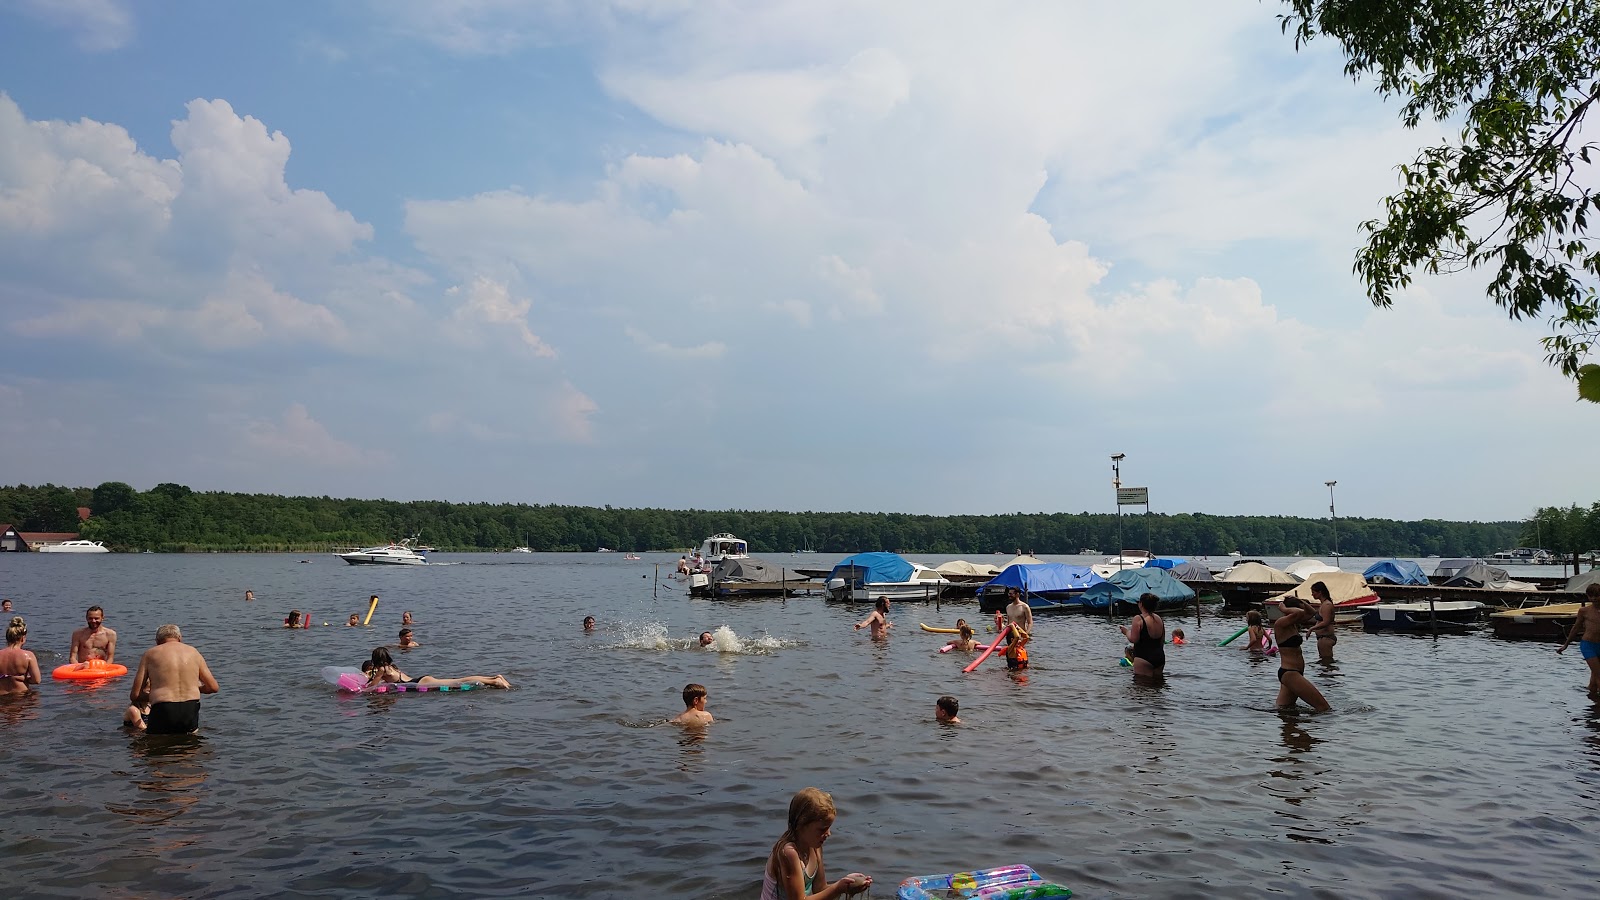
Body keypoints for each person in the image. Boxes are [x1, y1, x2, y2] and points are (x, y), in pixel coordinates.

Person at [761, 787, 871, 900]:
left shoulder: (815, 847)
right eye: (822, 829)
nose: (828, 834)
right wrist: (838, 888)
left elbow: (821, 889)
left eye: (829, 828)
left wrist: (847, 885)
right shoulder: (788, 853)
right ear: (801, 824)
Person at [127, 624, 220, 735]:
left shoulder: (150, 654)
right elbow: (213, 687)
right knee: (190, 747)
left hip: (163, 708)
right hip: (190, 708)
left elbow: (135, 695)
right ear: (180, 638)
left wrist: (154, 695)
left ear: (157, 641)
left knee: (157, 747)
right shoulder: (194, 652)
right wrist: (192, 688)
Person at [1273, 598, 1331, 711]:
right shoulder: (1280, 623)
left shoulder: (1293, 624)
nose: (1302, 614)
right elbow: (1299, 612)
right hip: (1290, 673)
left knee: (1285, 711)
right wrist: (1283, 607)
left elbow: (1312, 612)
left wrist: (1299, 600)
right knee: (1324, 708)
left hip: (1295, 673)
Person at [366, 647, 511, 689]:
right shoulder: (392, 667)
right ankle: (494, 678)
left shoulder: (382, 670)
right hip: (421, 679)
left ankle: (495, 681)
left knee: (458, 682)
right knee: (458, 680)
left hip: (420, 683)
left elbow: (371, 687)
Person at [1557, 583, 1600, 694]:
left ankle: (1592, 698)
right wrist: (1566, 645)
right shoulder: (1584, 611)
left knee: (1594, 676)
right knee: (1599, 675)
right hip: (1588, 645)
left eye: (1597, 595)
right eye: (1591, 596)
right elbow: (1575, 628)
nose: (1594, 598)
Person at [1124, 593, 1166, 677]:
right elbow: (1162, 640)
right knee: (1158, 685)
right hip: (1159, 657)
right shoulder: (1159, 618)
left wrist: (1126, 632)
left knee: (1141, 686)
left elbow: (1133, 639)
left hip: (1143, 657)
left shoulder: (1138, 618)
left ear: (1141, 604)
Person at [0, 616, 43, 696]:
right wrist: (22, 678)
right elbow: (37, 680)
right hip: (21, 695)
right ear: (23, 638)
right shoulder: (28, 655)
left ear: (7, 638)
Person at [1310, 581, 1337, 663]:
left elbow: (1326, 622)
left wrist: (1311, 629)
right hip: (1322, 638)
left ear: (1320, 592)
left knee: (1327, 662)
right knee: (1323, 663)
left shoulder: (1327, 605)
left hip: (1326, 638)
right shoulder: (1322, 604)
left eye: (1313, 592)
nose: (1312, 594)